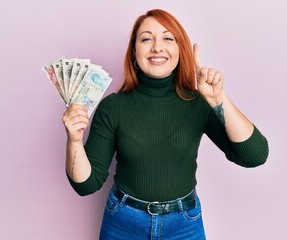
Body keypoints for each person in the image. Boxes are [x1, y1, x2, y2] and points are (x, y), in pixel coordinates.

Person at [62, 9, 269, 240]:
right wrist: (74, 140)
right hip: (123, 223)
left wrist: (219, 99)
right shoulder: (113, 107)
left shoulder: (198, 103)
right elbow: (86, 185)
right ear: (134, 51)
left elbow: (254, 156)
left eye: (168, 38)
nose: (157, 47)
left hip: (183, 224)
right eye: (146, 38)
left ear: (180, 49)